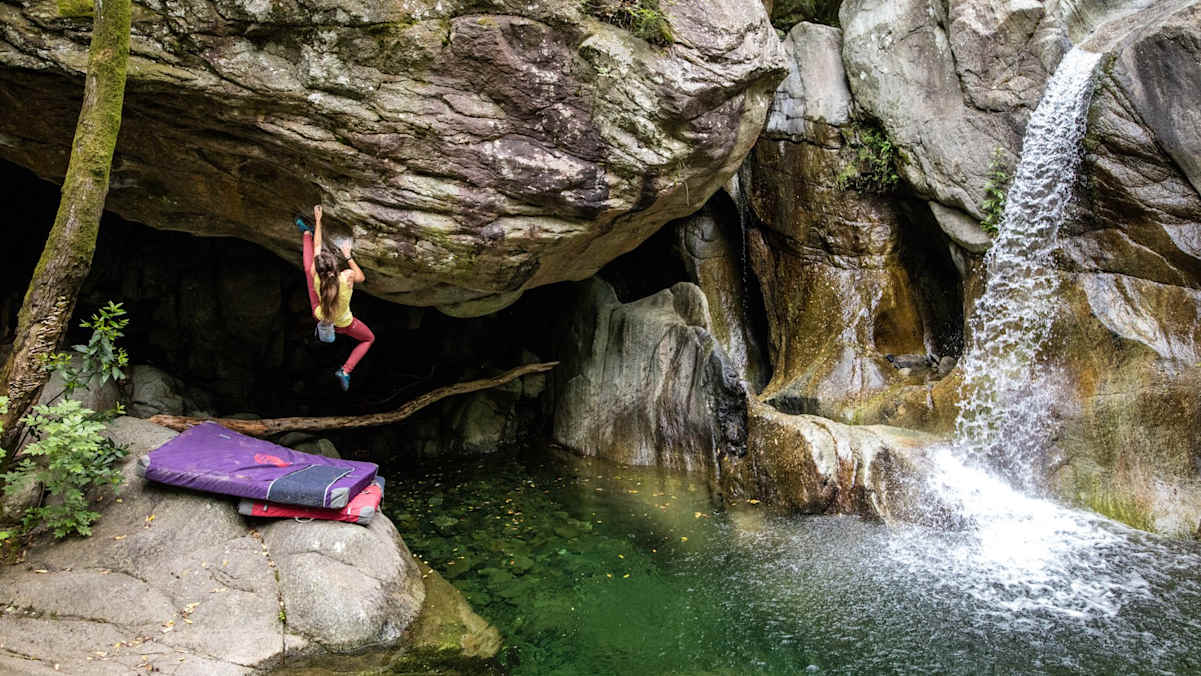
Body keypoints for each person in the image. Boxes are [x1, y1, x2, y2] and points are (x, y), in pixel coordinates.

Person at [296, 205, 374, 391]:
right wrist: (348, 256)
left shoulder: (317, 275)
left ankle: (306, 232)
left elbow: (317, 248)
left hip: (322, 313)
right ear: (334, 267)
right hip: (343, 322)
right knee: (368, 339)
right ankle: (345, 370)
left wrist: (318, 220)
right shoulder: (346, 278)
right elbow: (361, 278)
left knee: (308, 272)